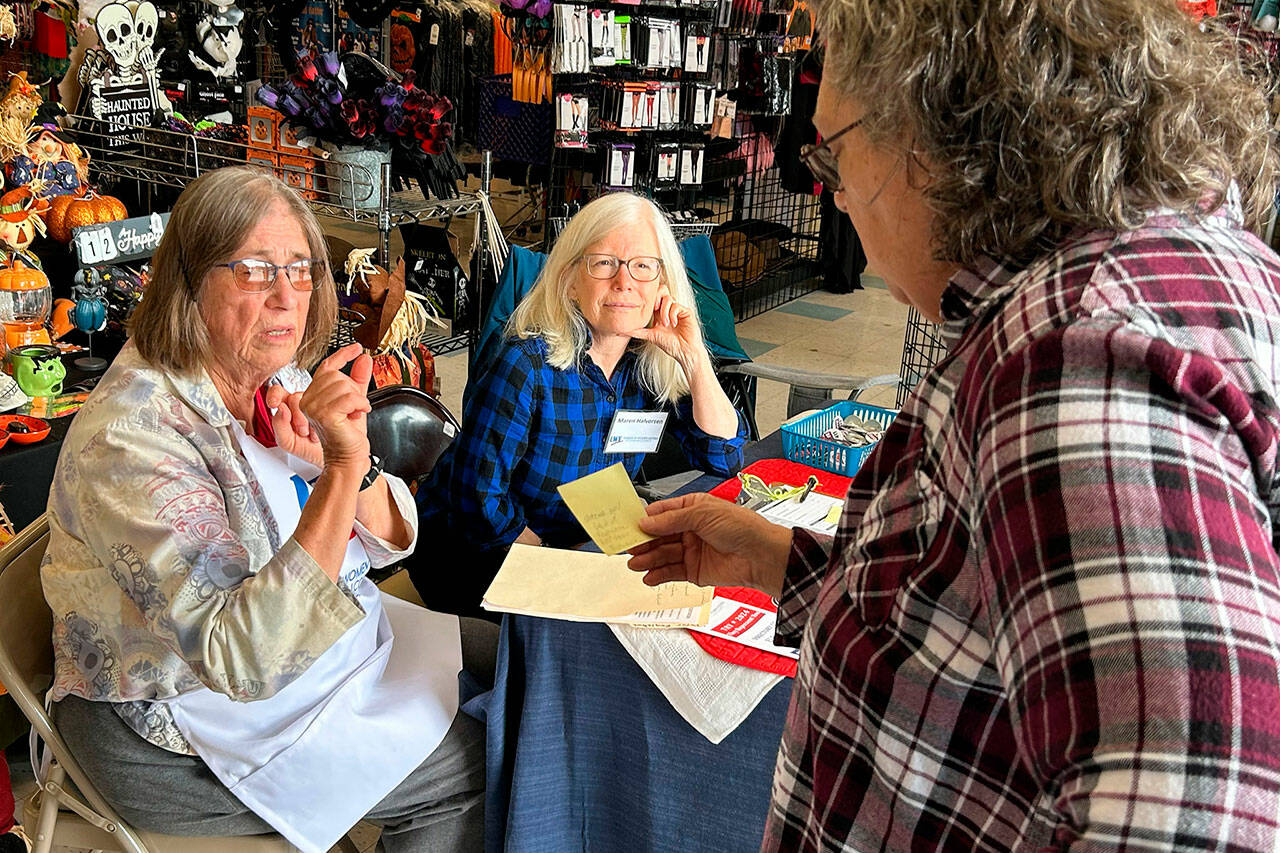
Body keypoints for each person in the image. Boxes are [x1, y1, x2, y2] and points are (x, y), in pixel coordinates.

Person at [630, 2, 1280, 850]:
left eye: (832, 148)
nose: (828, 185)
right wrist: (782, 563)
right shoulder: (1160, 271)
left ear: (933, 125)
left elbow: (1192, 812)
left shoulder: (1073, 353)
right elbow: (980, 617)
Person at [41, 166, 489, 852]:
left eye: (303, 269)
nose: (287, 297)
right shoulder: (132, 437)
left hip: (315, 653)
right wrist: (338, 471)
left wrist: (350, 464)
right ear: (189, 281)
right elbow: (241, 659)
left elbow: (396, 538)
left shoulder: (267, 371)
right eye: (253, 270)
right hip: (170, 727)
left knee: (528, 655)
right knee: (477, 760)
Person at [412, 192, 747, 616]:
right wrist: (561, 566)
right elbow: (479, 501)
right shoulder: (525, 362)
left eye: (643, 266)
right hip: (475, 558)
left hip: (580, 543)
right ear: (570, 279)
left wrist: (695, 359)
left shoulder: (648, 362)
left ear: (663, 285)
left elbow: (724, 454)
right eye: (604, 263)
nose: (625, 282)